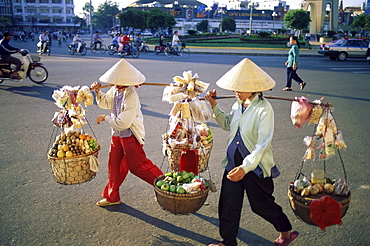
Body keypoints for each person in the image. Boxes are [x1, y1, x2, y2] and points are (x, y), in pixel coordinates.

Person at [205, 58, 299, 246]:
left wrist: (245, 167)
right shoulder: (237, 104)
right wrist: (214, 105)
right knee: (228, 204)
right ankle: (228, 242)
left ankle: (286, 231)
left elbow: (263, 144)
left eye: (240, 87)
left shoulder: (264, 109)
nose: (235, 91)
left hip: (255, 167)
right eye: (235, 87)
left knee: (261, 205)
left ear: (254, 87)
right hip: (233, 164)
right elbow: (227, 124)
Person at [90, 59, 163, 207]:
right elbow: (105, 103)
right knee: (114, 165)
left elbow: (123, 123)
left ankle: (164, 187)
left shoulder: (131, 96)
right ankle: (112, 196)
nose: (116, 83)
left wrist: (105, 118)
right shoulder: (115, 89)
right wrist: (98, 92)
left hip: (129, 135)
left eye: (119, 81)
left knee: (138, 166)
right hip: (117, 134)